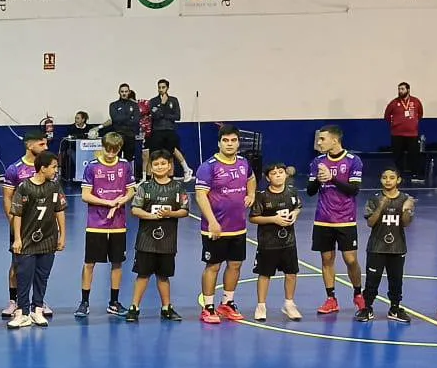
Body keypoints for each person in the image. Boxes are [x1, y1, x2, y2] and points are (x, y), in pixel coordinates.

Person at [195, 127, 254, 325]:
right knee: (213, 266)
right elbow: (201, 195)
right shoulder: (208, 167)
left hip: (238, 226)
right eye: (226, 140)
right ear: (219, 143)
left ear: (238, 143)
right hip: (215, 228)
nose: (230, 144)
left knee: (235, 265)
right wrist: (212, 221)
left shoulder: (244, 163)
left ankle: (227, 303)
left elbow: (251, 179)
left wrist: (251, 194)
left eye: (233, 140)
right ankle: (208, 307)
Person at [306, 124, 363, 317]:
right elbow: (310, 191)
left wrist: (332, 178)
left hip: (346, 219)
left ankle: (358, 293)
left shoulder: (353, 161)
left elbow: (353, 190)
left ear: (335, 140)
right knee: (327, 259)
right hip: (323, 219)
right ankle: (331, 299)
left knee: (351, 259)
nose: (319, 143)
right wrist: (318, 180)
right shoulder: (318, 162)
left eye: (322, 139)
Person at [127, 149, 189, 322]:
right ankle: (134, 307)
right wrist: (151, 216)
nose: (160, 167)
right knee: (143, 274)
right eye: (156, 164)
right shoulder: (144, 187)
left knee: (164, 276)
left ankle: (166, 307)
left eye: (163, 163)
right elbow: (135, 209)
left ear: (170, 166)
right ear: (151, 167)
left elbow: (184, 210)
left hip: (167, 241)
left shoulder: (178, 187)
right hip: (146, 241)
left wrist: (170, 214)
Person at [76, 131, 133, 319]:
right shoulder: (92, 167)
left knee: (117, 263)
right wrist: (108, 203)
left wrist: (122, 200)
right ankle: (84, 302)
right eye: (108, 149)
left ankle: (114, 302)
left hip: (118, 224)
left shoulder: (125, 166)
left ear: (119, 149)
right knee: (89, 263)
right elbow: (85, 195)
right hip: (96, 223)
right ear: (103, 147)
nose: (110, 153)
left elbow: (130, 190)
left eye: (114, 150)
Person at [7, 151, 65, 328]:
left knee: (42, 276)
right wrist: (17, 239)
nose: (56, 170)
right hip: (27, 240)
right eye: (53, 167)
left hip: (48, 239)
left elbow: (59, 211)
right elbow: (17, 214)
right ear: (43, 168)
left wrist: (62, 235)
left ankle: (37, 310)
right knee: (24, 276)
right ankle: (22, 312)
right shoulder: (24, 187)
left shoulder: (54, 187)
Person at [357, 169, 415, 324]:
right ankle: (367, 308)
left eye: (392, 177)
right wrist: (380, 207)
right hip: (377, 247)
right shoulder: (375, 199)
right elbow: (370, 223)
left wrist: (406, 210)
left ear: (398, 180)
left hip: (397, 247)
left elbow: (406, 223)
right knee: (372, 280)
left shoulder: (406, 199)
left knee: (396, 280)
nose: (388, 180)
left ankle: (395, 308)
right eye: (384, 177)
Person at [249, 161, 304, 323]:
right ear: (268, 178)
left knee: (291, 273)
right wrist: (273, 219)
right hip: (268, 243)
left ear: (286, 174)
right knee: (265, 274)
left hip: (288, 242)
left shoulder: (292, 191)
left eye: (281, 172)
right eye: (274, 173)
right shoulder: (262, 196)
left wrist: (295, 214)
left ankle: (289, 304)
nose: (278, 175)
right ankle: (261, 306)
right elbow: (253, 218)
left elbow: (298, 206)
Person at [385, 81, 424, 183]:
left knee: (414, 155)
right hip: (397, 134)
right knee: (398, 156)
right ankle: (398, 176)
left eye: (402, 89)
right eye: (399, 89)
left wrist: (413, 123)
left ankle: (415, 175)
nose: (400, 91)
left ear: (408, 90)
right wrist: (395, 124)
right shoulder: (394, 103)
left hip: (412, 134)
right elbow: (387, 116)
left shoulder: (416, 101)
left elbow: (420, 114)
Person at [146, 79, 183, 168]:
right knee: (155, 156)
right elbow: (155, 116)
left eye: (163, 87)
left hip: (170, 130)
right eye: (159, 87)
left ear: (167, 88)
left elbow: (177, 116)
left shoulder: (173, 100)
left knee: (170, 156)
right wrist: (162, 104)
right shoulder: (153, 101)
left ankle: (170, 175)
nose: (161, 89)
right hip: (157, 131)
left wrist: (163, 115)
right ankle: (153, 175)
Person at [106, 83, 141, 167]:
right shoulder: (113, 105)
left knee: (129, 159)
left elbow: (136, 120)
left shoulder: (134, 105)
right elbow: (115, 119)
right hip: (117, 136)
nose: (124, 93)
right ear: (119, 92)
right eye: (122, 91)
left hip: (130, 135)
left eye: (126, 91)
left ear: (129, 92)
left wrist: (122, 118)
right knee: (115, 158)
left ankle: (128, 174)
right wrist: (129, 115)